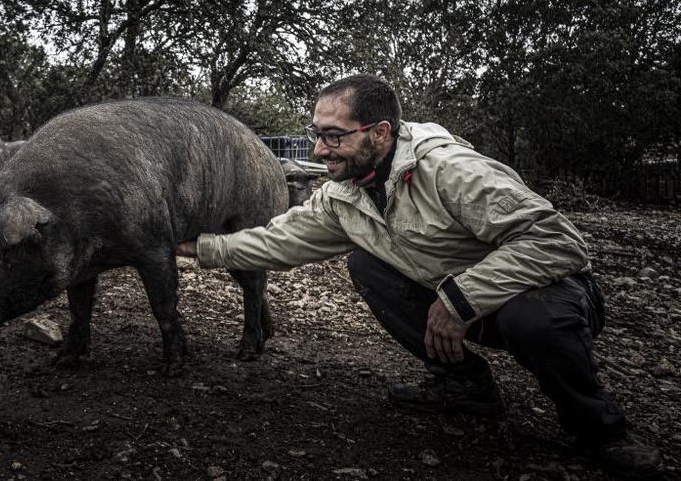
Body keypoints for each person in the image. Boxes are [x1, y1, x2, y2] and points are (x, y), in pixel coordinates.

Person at [176, 74, 664, 479]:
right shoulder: (345, 192)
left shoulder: (449, 170)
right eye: (316, 134)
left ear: (380, 133)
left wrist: (460, 298)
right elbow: (280, 240)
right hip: (456, 301)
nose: (320, 150)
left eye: (334, 136)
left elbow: (558, 242)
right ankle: (464, 386)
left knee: (533, 320)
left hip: (544, 294)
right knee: (366, 264)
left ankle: (601, 429)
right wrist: (202, 247)